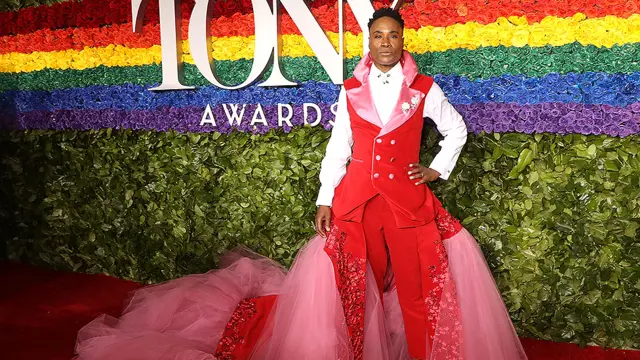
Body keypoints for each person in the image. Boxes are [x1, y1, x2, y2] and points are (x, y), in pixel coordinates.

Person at [73, 8, 528, 360]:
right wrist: (324, 198)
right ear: (369, 42)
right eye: (378, 35)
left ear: (402, 41)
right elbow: (337, 147)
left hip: (407, 203)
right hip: (355, 203)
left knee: (415, 290)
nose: (386, 42)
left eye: (393, 35)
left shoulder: (425, 88)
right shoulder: (349, 90)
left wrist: (435, 169)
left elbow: (457, 130)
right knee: (354, 288)